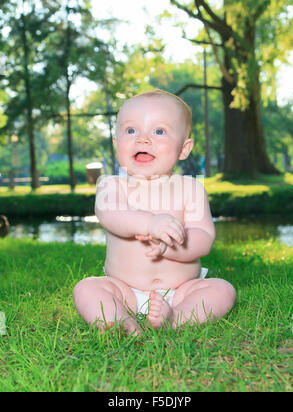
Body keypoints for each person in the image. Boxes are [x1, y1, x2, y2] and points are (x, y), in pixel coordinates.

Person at [73, 89, 236, 335]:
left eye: (159, 131)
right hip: (124, 288)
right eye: (131, 130)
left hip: (181, 290)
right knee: (86, 288)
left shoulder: (189, 188)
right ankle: (120, 321)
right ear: (117, 144)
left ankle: (175, 317)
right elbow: (111, 215)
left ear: (184, 148)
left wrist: (172, 247)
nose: (143, 139)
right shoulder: (111, 185)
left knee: (223, 290)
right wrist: (150, 223)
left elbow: (203, 238)